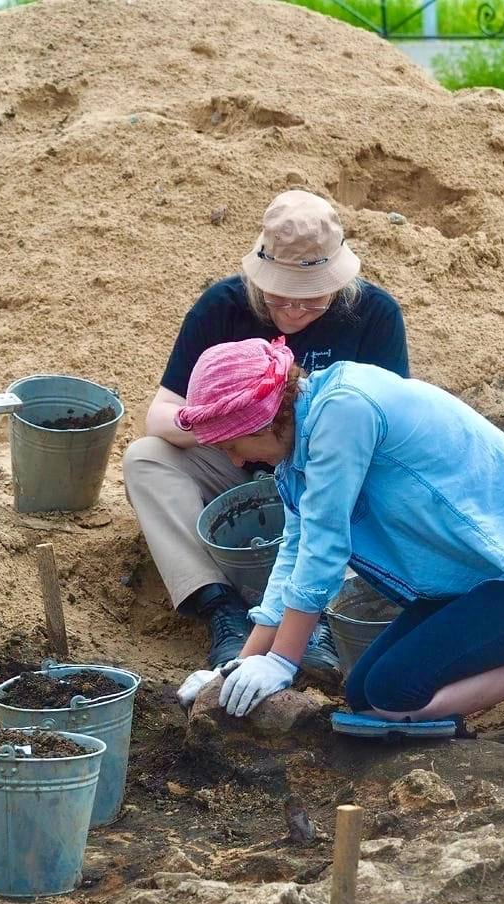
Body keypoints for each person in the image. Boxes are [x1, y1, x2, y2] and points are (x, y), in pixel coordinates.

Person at [172, 338, 504, 730]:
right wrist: (243, 663)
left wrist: (283, 662)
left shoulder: (344, 410)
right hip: (478, 574)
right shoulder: (300, 436)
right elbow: (295, 548)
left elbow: (325, 547)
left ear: (266, 420)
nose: (234, 461)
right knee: (366, 694)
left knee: (394, 700)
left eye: (233, 446)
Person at [123, 190, 409, 672]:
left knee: (367, 492)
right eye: (279, 297)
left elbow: (388, 424)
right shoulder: (222, 307)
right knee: (146, 459)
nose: (294, 313)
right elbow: (161, 413)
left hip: (331, 474)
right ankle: (222, 610)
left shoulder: (375, 315)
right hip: (240, 463)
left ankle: (322, 618)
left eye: (312, 301)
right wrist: (235, 425)